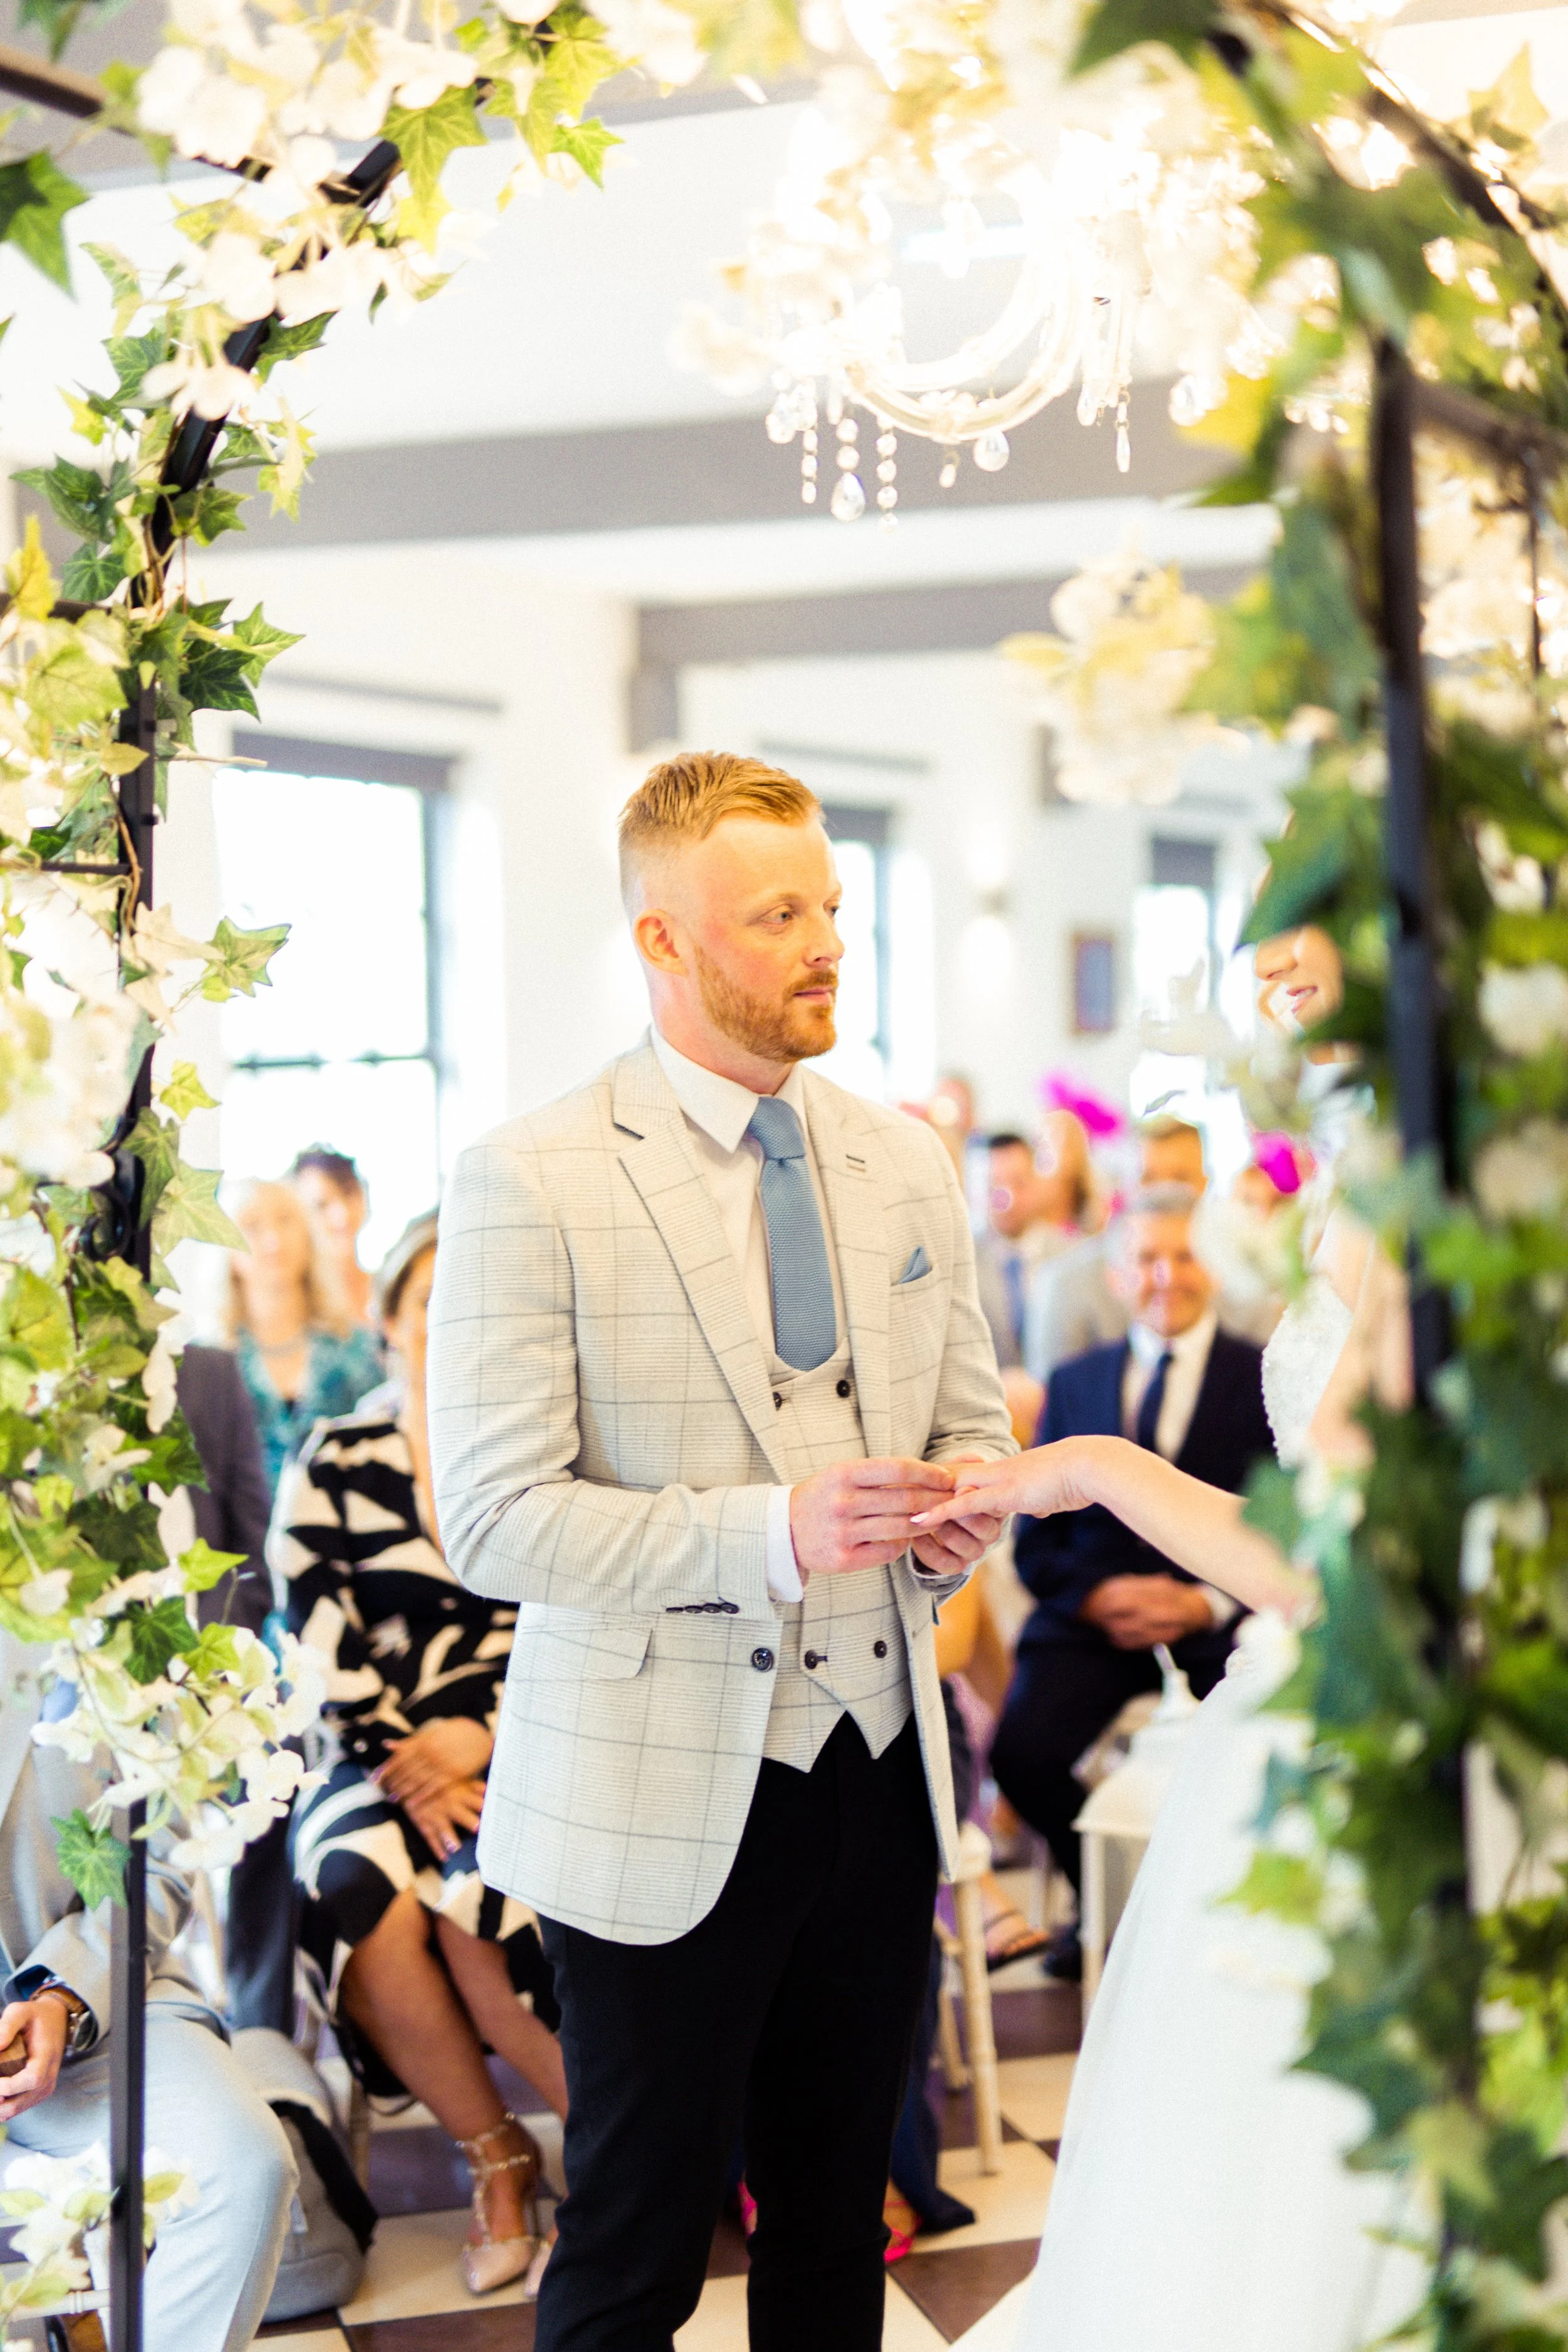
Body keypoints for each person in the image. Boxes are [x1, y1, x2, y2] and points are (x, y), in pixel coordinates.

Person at [426, 750, 1015, 2352]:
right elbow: (488, 1513)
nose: (829, 939)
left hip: (879, 1774)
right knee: (635, 2242)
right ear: (664, 942)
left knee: (838, 2227)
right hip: (656, 1781)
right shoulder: (528, 1174)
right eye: (778, 913)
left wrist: (962, 1513)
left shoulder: (903, 1159)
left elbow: (969, 1427)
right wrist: (768, 1530)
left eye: (831, 902)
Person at [909, 922, 1431, 2352]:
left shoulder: (1427, 1181)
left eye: (1303, 933)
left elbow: (1320, 1563)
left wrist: (1080, 1464)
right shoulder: (1369, 1166)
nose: (1266, 973)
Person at [272, 1212, 566, 2301]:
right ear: (391, 1320)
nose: (455, 1318)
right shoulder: (337, 1457)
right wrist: (404, 1755)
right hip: (366, 1755)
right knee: (358, 1884)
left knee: (479, 1898)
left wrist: (482, 1733)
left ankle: (628, 2168)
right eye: (431, 1299)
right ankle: (497, 2157)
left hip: (522, 1740)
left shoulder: (545, 1448)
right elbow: (309, 1623)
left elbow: (572, 1612)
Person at [989, 1183, 1273, 1976]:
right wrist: (1096, 1598)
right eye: (1147, 1258)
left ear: (1211, 1267)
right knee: (1022, 1752)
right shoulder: (1076, 1381)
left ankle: (1215, 1917)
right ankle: (1114, 1898)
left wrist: (1205, 1598)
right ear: (1118, 1274)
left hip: (1222, 1620)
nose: (1165, 1276)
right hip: (1094, 1624)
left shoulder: (1261, 1376)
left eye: (1183, 1256)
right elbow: (1034, 1545)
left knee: (1249, 1760)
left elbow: (1281, 1525)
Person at [0, 1633, 296, 2351]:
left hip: (86, 1991)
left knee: (246, 2168)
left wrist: (63, 1996)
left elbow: (158, 1858)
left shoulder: (96, 1591)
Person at [224, 1178, 384, 1496]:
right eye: (252, 1227)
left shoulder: (357, 1349)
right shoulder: (210, 1363)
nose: (273, 1241)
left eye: (286, 1221)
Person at [1022, 1115, 1207, 1381]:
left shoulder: (1244, 1287)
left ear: (1204, 1183)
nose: (1162, 1195)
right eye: (1149, 1178)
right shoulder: (1065, 1283)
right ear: (1126, 1184)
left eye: (1180, 1179)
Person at [290, 1145, 376, 1328]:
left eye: (349, 1193)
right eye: (321, 1205)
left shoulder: (389, 1286)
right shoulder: (295, 1305)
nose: (341, 1215)